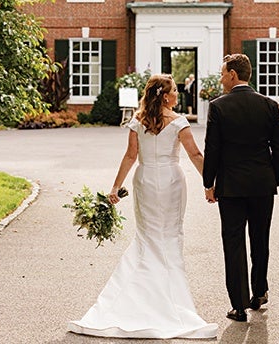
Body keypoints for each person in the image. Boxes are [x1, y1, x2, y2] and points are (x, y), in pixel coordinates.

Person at [68, 74, 218, 339]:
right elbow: (195, 154)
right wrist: (210, 184)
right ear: (164, 95)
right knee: (170, 235)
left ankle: (138, 296)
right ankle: (170, 299)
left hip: (145, 179)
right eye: (173, 91)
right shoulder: (178, 122)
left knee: (147, 237)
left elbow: (130, 156)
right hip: (171, 180)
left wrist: (115, 187)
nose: (176, 95)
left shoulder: (138, 121)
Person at [203, 53, 279, 322]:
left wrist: (208, 183)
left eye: (222, 73)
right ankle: (259, 292)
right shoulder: (270, 105)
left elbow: (212, 149)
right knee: (260, 239)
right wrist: (272, 178)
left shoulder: (218, 107)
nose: (220, 78)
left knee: (234, 242)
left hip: (231, 186)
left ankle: (238, 306)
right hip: (262, 184)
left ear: (233, 75)